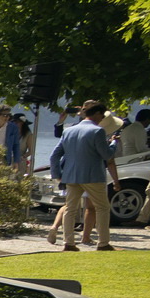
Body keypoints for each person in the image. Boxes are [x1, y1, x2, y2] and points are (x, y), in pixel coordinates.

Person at [49, 100, 120, 251]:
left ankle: (68, 243)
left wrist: (57, 174)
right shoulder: (98, 131)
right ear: (97, 114)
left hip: (71, 176)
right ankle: (103, 243)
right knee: (102, 208)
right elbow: (107, 155)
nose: (102, 118)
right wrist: (114, 144)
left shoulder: (69, 130)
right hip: (93, 176)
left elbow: (54, 155)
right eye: (102, 115)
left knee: (70, 209)